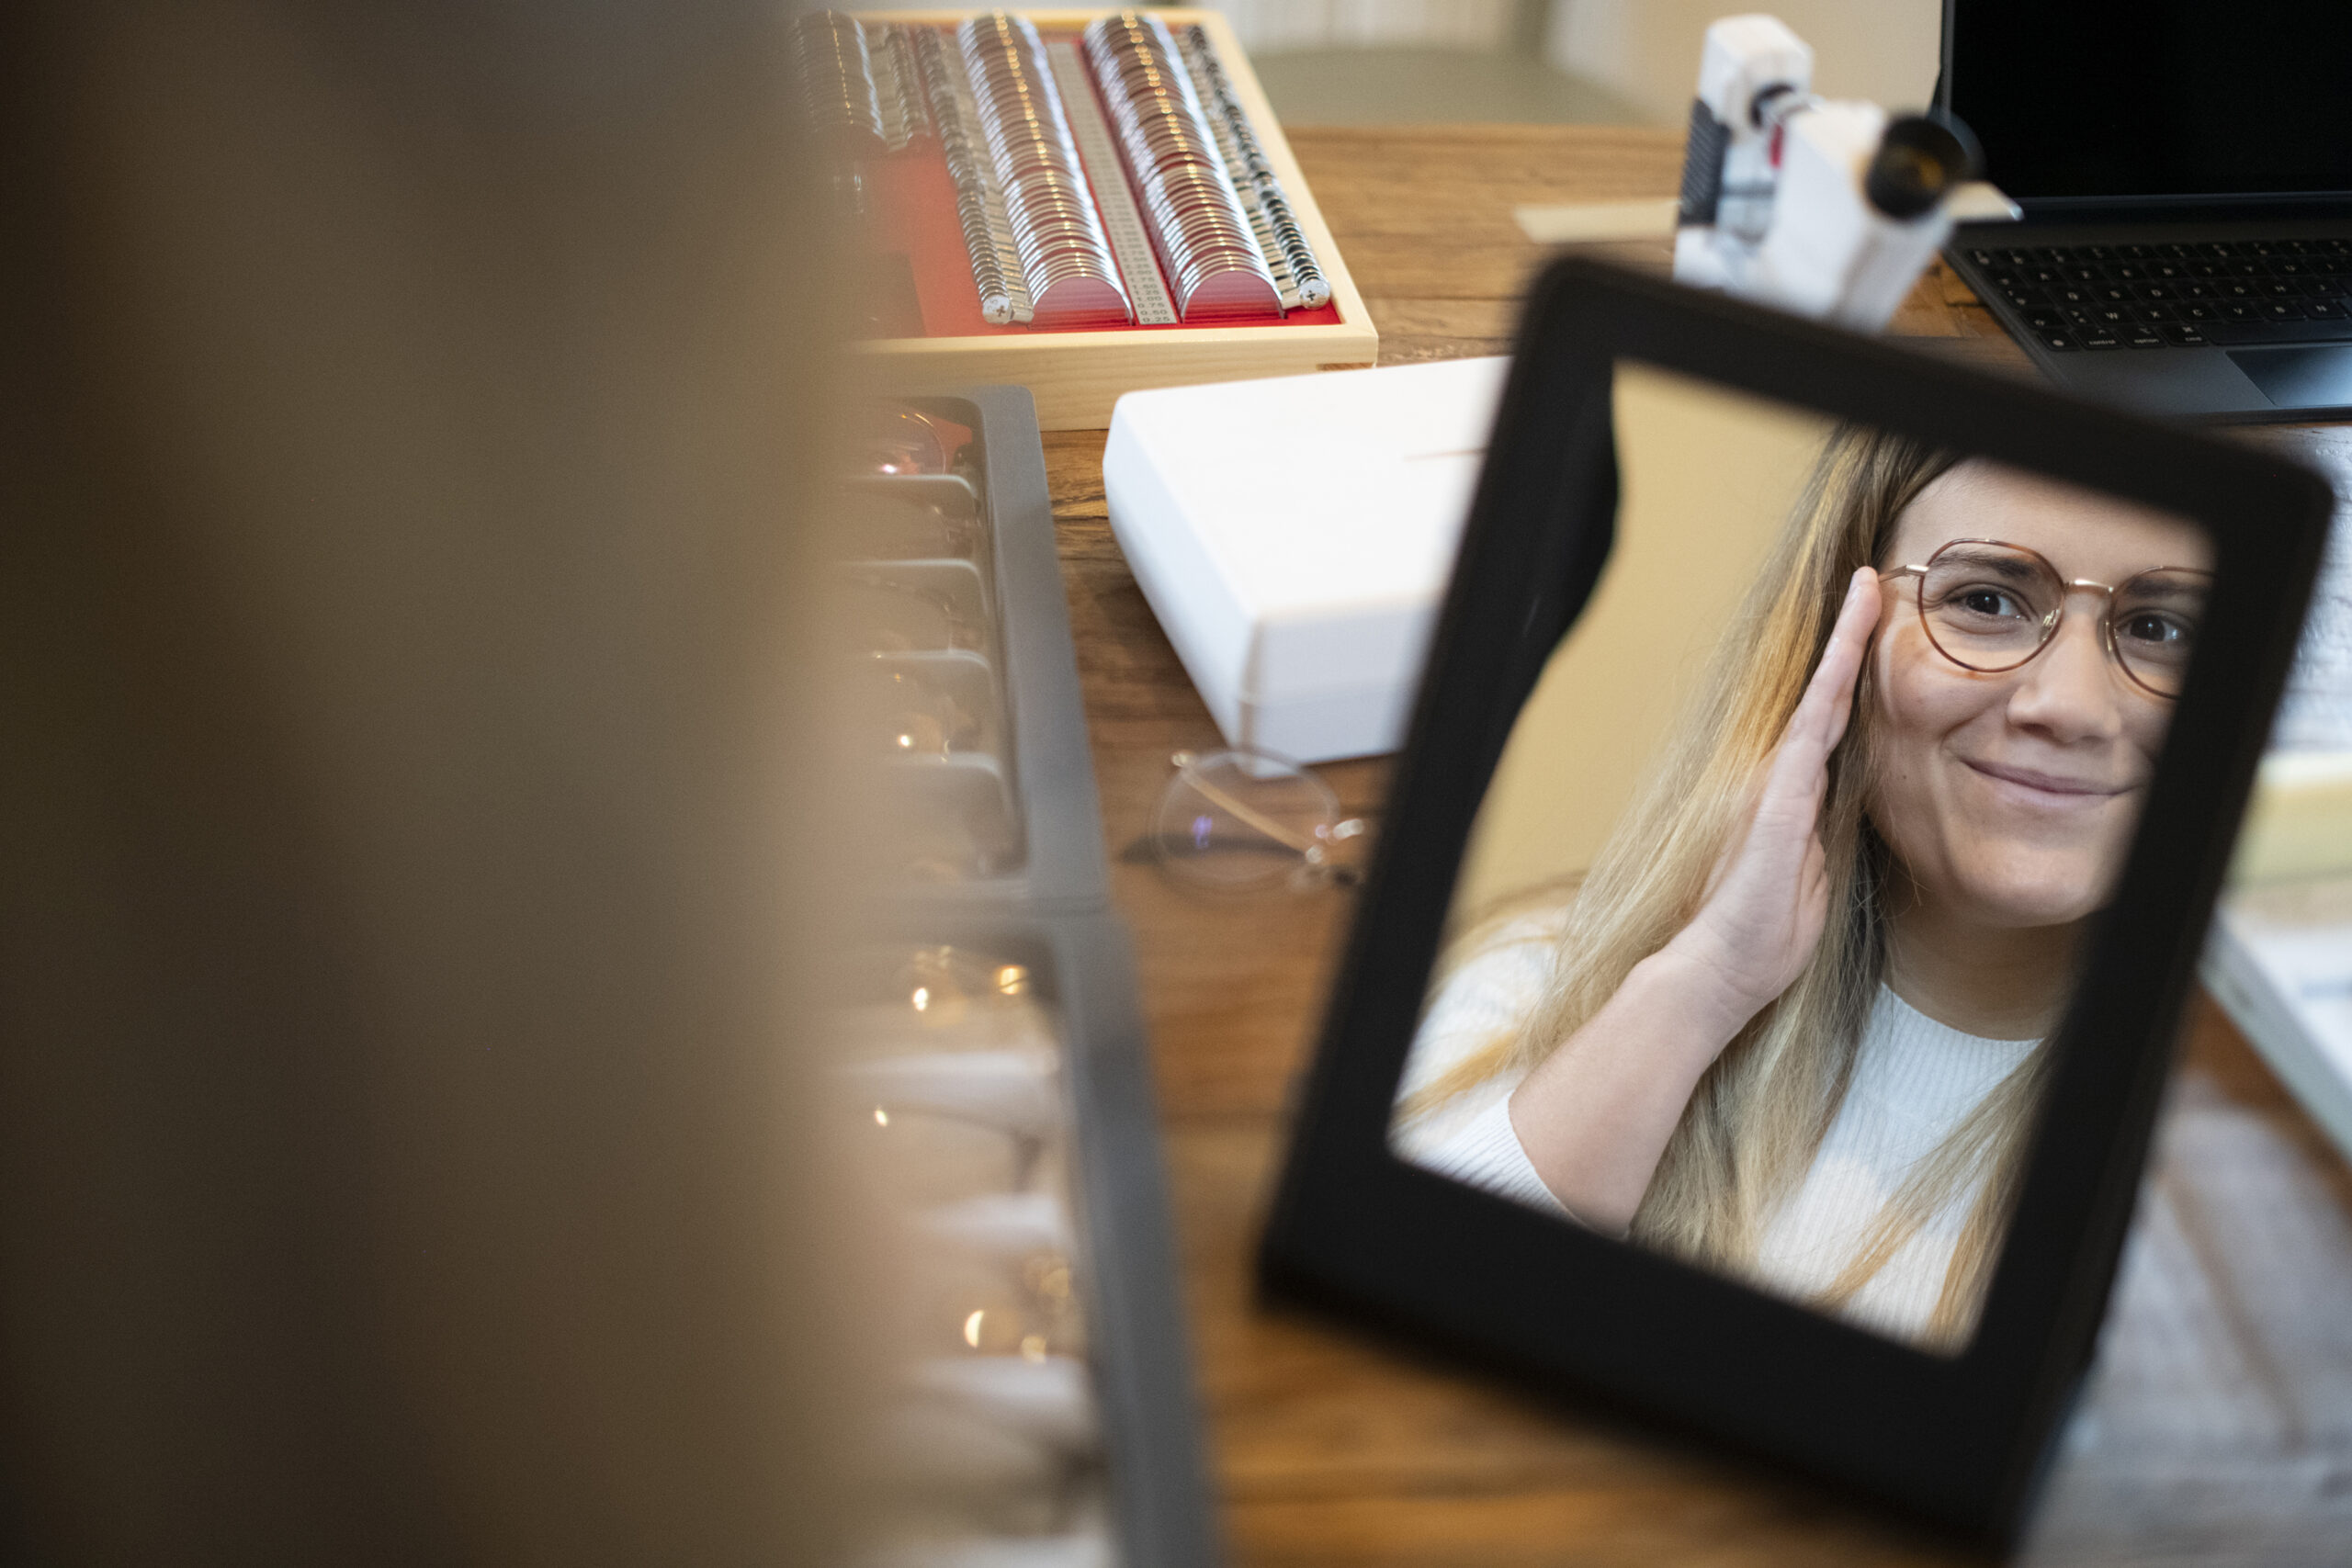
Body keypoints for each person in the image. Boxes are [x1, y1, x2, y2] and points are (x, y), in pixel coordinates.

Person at [1392, 429, 2210, 1349]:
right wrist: (1700, 991)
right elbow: (1388, 1311)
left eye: (2162, 628)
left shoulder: (2239, 1172)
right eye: (1984, 600)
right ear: (1836, 641)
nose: (2065, 705)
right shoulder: (1541, 985)